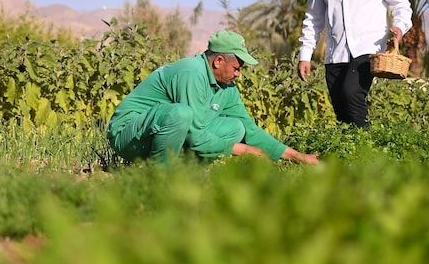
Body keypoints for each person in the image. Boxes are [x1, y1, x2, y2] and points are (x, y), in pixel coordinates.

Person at [107, 30, 319, 165]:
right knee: (181, 113)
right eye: (236, 68)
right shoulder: (191, 73)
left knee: (237, 127)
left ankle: (184, 169)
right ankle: (160, 177)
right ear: (218, 61)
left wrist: (299, 157)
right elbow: (195, 135)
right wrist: (242, 150)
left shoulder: (226, 87)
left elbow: (250, 129)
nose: (238, 74)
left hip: (165, 136)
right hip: (130, 135)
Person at [297, 0, 413, 127]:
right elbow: (313, 18)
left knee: (351, 94)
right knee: (341, 110)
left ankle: (366, 150)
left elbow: (401, 4)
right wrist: (305, 55)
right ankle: (351, 154)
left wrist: (400, 26)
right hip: (335, 53)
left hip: (368, 49)